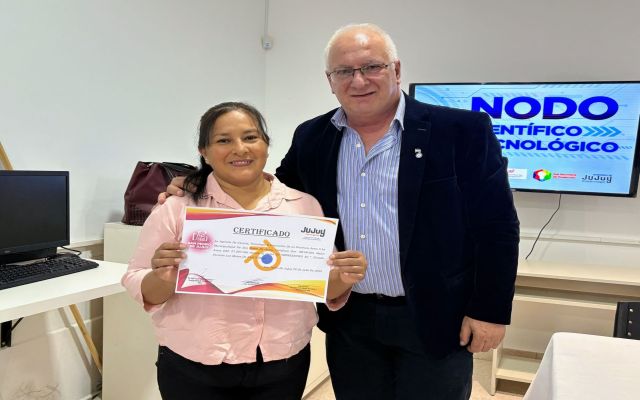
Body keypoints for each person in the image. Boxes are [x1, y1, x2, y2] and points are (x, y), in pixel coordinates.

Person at [162, 24, 520, 400]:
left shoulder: (460, 131)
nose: (358, 80)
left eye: (372, 67)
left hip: (434, 316)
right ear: (330, 80)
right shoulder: (313, 137)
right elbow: (273, 195)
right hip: (350, 320)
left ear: (397, 70)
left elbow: (497, 227)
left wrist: (490, 310)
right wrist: (199, 185)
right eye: (344, 71)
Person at [123, 102, 367, 400]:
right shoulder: (177, 207)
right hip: (194, 363)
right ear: (204, 152)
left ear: (266, 144)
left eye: (250, 137)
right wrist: (163, 278)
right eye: (224, 140)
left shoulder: (304, 206)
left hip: (282, 362)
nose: (240, 149)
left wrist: (344, 276)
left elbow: (323, 285)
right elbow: (137, 280)